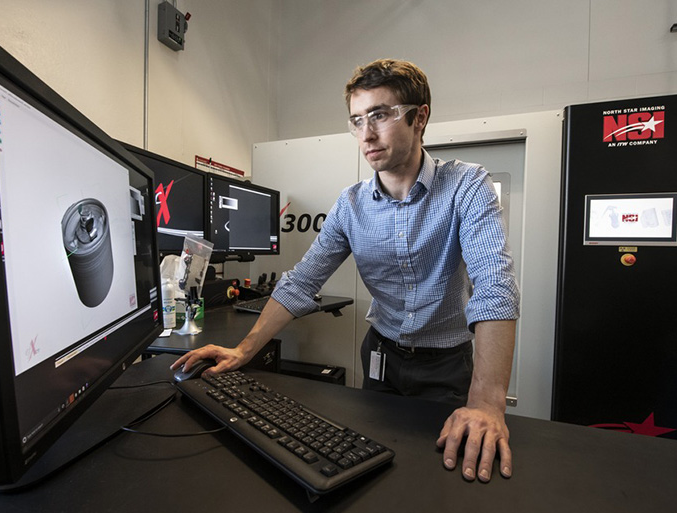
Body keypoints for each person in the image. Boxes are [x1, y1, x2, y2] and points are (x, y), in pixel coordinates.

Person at [172, 59, 519, 483]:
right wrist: (244, 351)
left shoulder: (466, 186)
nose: (366, 134)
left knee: (440, 480)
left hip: (446, 368)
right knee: (376, 470)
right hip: (381, 357)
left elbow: (494, 287)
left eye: (380, 115)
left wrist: (486, 403)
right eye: (357, 120)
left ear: (419, 117)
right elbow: (302, 282)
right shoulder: (350, 206)